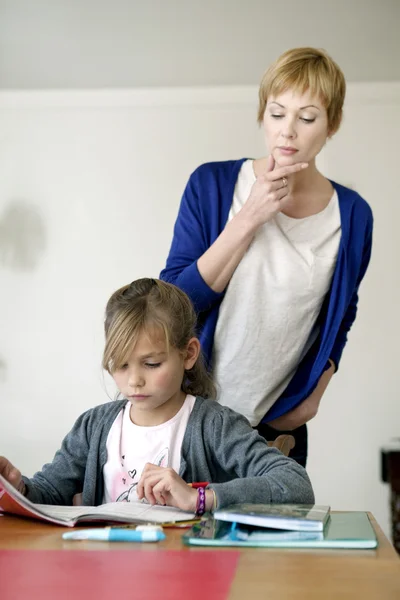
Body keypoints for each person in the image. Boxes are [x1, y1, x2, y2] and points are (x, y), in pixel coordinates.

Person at [160, 47, 373, 467]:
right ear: (262, 114)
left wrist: (313, 396)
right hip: (191, 418)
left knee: (277, 533)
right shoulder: (212, 184)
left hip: (278, 433)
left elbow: (343, 312)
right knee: (184, 531)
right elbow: (171, 307)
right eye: (277, 114)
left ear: (333, 122)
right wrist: (250, 216)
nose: (287, 131)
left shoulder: (352, 215)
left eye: (307, 117)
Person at [0, 278, 314, 511]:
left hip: (186, 579)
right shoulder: (92, 427)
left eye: (151, 364)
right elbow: (48, 492)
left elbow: (295, 483)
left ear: (188, 354)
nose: (134, 380)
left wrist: (199, 497)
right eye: (120, 365)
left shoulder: (214, 426)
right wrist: (17, 488)